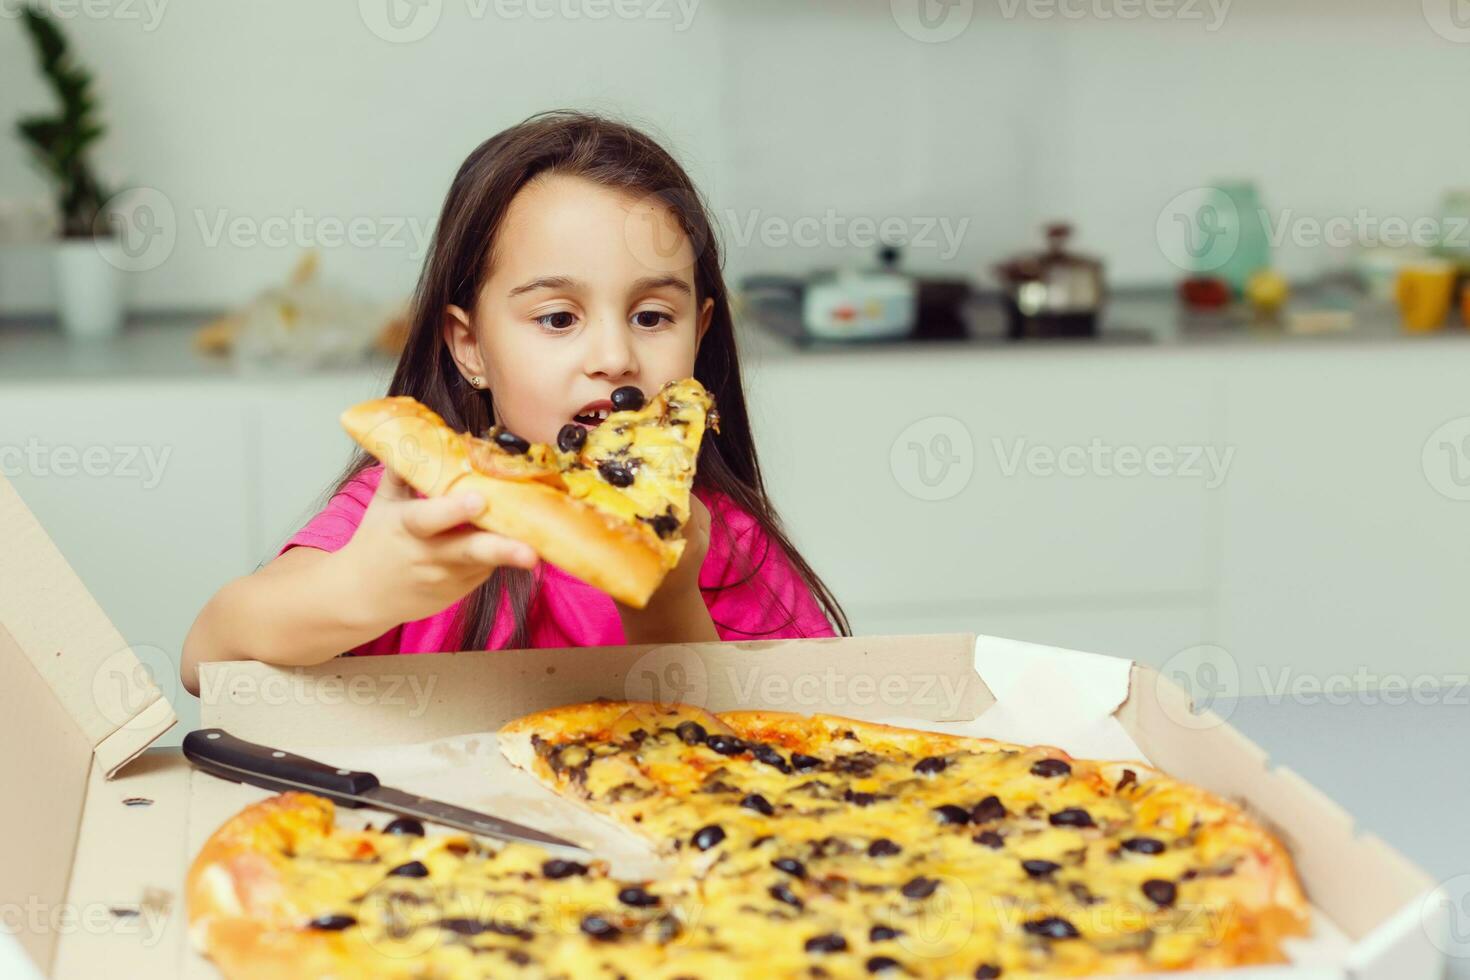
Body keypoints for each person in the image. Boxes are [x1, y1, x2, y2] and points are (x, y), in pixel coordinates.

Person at [181, 110, 847, 696]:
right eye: (558, 318)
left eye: (650, 316)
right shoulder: (415, 513)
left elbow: (778, 741)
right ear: (470, 347)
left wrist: (666, 594)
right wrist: (365, 587)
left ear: (699, 336)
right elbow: (204, 656)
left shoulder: (721, 538)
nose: (614, 358)